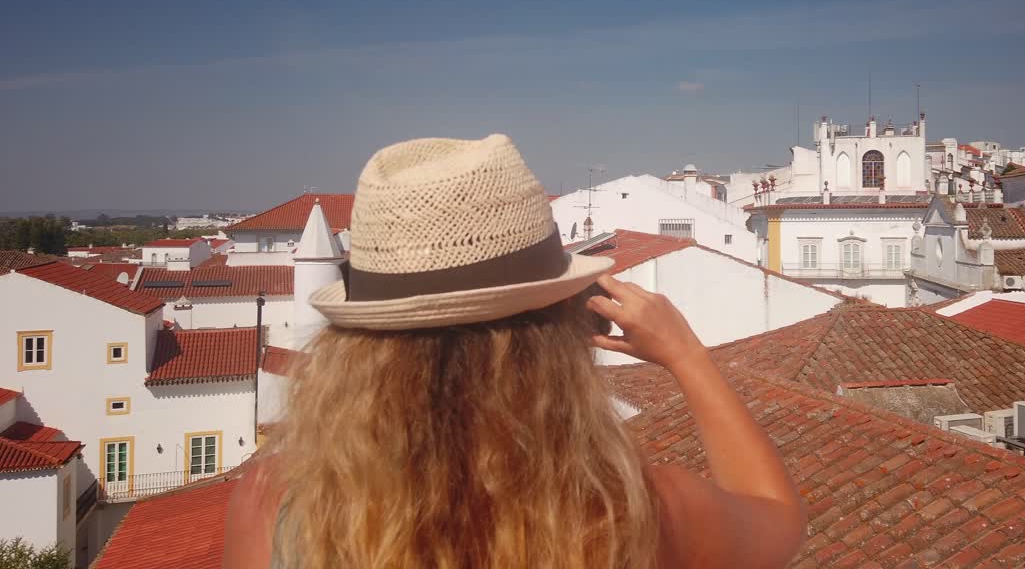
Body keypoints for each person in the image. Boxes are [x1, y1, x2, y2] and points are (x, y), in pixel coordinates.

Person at [224, 135, 806, 568]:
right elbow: (776, 518)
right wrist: (686, 355)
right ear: (558, 337)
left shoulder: (274, 511)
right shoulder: (641, 514)